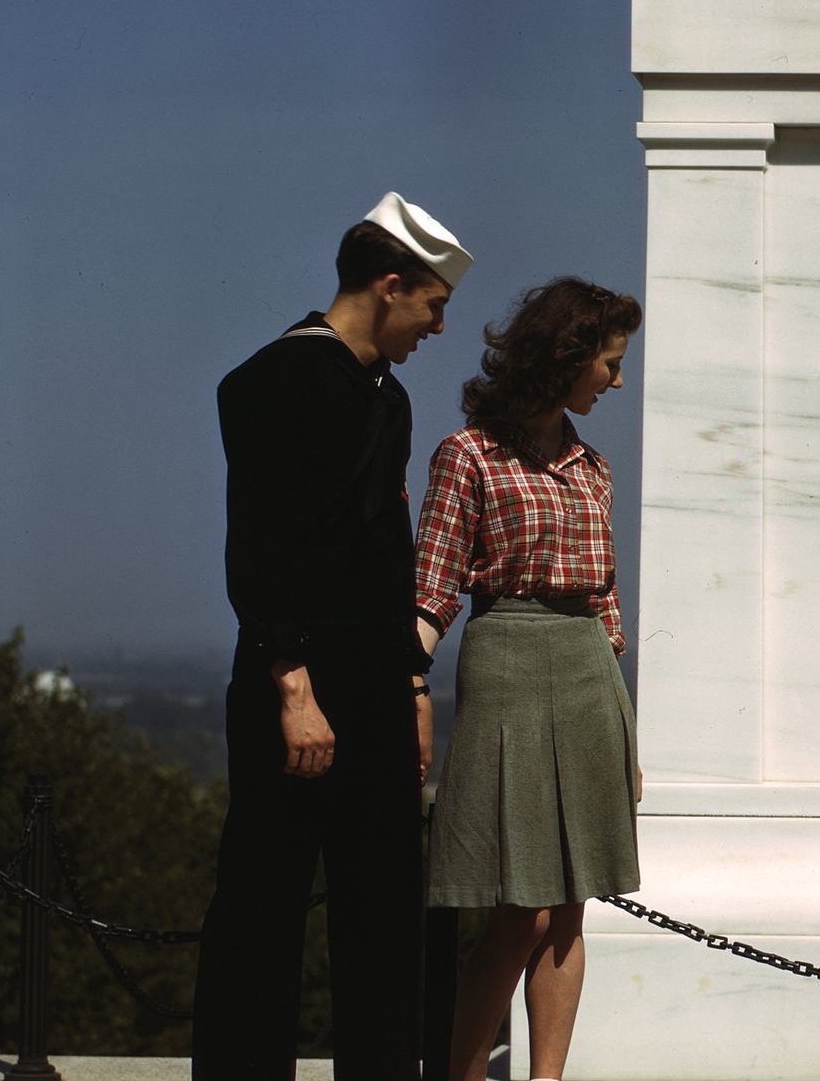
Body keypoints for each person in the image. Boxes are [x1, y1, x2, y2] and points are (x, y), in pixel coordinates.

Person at [194, 192, 471, 1081]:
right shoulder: (273, 380)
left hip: (376, 685)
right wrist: (294, 688)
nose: (435, 326)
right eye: (433, 305)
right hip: (297, 682)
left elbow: (383, 558)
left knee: (385, 911)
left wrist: (411, 689)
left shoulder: (386, 398)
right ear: (391, 287)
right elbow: (262, 546)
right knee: (264, 909)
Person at [413, 276, 643, 1081]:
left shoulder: (594, 466)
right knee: (517, 910)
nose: (616, 380)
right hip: (506, 658)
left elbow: (607, 602)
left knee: (571, 904)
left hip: (587, 670)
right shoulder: (467, 454)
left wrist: (627, 734)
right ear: (568, 356)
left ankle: (546, 1078)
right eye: (609, 363)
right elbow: (432, 588)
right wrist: (410, 689)